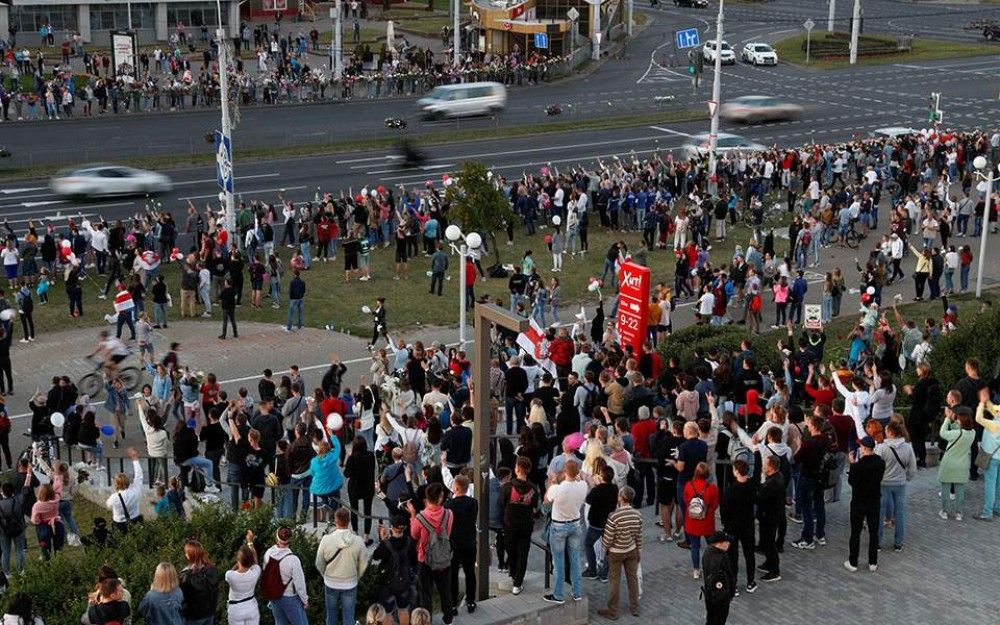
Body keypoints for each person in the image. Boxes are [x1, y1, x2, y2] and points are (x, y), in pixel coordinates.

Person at [542, 456, 587, 604]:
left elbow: (546, 500)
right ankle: (577, 592)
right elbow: (584, 482)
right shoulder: (583, 486)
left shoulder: (557, 489)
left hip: (559, 526)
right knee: (575, 560)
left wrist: (552, 482)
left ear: (565, 472)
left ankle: (559, 594)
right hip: (575, 524)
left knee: (558, 561)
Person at [408, 482, 453, 624]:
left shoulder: (421, 518)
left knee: (425, 592)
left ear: (427, 498)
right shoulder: (448, 514)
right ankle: (448, 619)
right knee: (445, 590)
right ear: (440, 498)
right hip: (443, 558)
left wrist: (412, 515)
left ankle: (427, 620)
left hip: (425, 558)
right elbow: (448, 533)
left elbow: (414, 535)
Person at [596, 485, 643, 621]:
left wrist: (603, 550)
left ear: (622, 498)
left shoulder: (614, 516)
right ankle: (634, 607)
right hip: (631, 550)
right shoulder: (637, 514)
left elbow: (608, 538)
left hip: (616, 552)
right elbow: (639, 535)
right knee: (632, 579)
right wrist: (639, 551)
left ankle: (613, 610)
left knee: (614, 581)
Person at [316, 507, 367, 625]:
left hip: (331, 582)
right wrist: (356, 576)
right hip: (350, 583)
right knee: (349, 617)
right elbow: (364, 563)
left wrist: (325, 574)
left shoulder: (326, 539)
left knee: (331, 617)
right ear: (349, 521)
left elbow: (319, 562)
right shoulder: (358, 541)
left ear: (335, 521)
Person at [845, 436, 886, 572]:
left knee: (855, 533)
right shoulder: (880, 462)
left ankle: (853, 562)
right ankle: (873, 562)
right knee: (873, 532)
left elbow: (852, 482)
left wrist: (852, 464)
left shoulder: (859, 465)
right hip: (874, 501)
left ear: (864, 448)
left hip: (858, 502)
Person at [876, 421, 917, 551]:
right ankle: (898, 543)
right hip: (900, 483)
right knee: (899, 513)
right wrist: (907, 478)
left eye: (886, 430)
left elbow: (876, 466)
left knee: (880, 513)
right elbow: (912, 468)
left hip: (884, 483)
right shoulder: (908, 447)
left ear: (891, 433)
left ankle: (878, 542)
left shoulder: (882, 448)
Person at [499, 456, 537, 595]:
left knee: (512, 552)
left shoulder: (507, 487)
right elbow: (534, 507)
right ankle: (517, 582)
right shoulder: (533, 488)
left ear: (516, 469)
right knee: (523, 554)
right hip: (526, 525)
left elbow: (501, 503)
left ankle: (514, 575)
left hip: (509, 525)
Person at [720, 458, 756, 593]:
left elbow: (724, 510)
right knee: (749, 554)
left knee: (732, 557)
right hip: (748, 525)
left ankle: (733, 585)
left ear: (736, 471)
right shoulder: (752, 486)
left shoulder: (730, 490)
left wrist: (725, 523)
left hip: (732, 527)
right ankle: (750, 581)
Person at [371, 514, 416, 625]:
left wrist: (383, 540)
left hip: (388, 583)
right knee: (404, 609)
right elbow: (414, 560)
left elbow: (376, 556)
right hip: (404, 581)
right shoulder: (409, 542)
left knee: (387, 612)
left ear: (392, 527)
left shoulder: (387, 544)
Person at [444, 475, 477, 614]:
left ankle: (453, 605)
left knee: (453, 574)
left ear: (456, 488)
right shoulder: (473, 503)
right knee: (470, 572)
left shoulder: (448, 505)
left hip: (454, 544)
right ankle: (470, 602)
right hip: (469, 542)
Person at [263, 526, 309, 625]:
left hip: (274, 596)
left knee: (280, 622)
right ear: (290, 540)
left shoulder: (268, 553)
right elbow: (299, 584)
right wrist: (305, 600)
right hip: (290, 597)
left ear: (277, 538)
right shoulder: (293, 560)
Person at [682, 462, 719, 579]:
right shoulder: (712, 488)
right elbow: (715, 505)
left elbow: (686, 501)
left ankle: (696, 570)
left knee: (695, 547)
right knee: (711, 546)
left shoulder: (688, 485)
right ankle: (712, 568)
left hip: (692, 521)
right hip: (707, 521)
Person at [938, 406, 975, 520]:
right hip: (962, 466)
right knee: (960, 491)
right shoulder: (972, 433)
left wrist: (947, 418)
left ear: (962, 421)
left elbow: (943, 433)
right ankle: (959, 513)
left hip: (949, 465)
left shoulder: (956, 434)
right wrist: (953, 419)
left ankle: (944, 512)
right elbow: (959, 430)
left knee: (946, 489)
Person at [583, 465, 617, 582]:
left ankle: (592, 570)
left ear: (601, 477)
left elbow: (588, 500)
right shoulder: (614, 488)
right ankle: (604, 573)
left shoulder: (597, 490)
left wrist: (595, 484)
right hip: (609, 522)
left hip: (596, 523)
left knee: (588, 544)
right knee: (608, 547)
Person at [179, 539, 220, 625]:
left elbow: (180, 597)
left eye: (186, 552)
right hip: (210, 614)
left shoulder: (186, 576)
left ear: (190, 555)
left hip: (193, 618)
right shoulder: (212, 570)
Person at [105, 447, 143, 533]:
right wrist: (135, 458)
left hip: (120, 522)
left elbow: (108, 505)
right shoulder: (135, 491)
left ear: (116, 484)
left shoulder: (114, 497)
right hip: (135, 518)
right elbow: (139, 475)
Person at [0, 470, 31, 576]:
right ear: (13, 492)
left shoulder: (0, 504)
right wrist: (29, 474)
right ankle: (21, 570)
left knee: (5, 552)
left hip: (4, 531)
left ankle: (6, 572)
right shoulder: (18, 500)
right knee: (20, 550)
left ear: (2, 492)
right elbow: (26, 488)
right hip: (19, 528)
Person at [701, 532, 736, 625]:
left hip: (709, 594)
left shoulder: (708, 551)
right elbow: (721, 580)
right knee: (719, 620)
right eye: (726, 542)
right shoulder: (721, 558)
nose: (729, 543)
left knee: (711, 619)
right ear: (718, 544)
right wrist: (727, 596)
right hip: (719, 597)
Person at [226, 532, 261, 625]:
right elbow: (255, 561)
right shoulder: (255, 573)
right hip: (251, 607)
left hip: (236, 610)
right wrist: (250, 543)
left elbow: (233, 570)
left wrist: (240, 561)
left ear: (238, 560)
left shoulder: (230, 576)